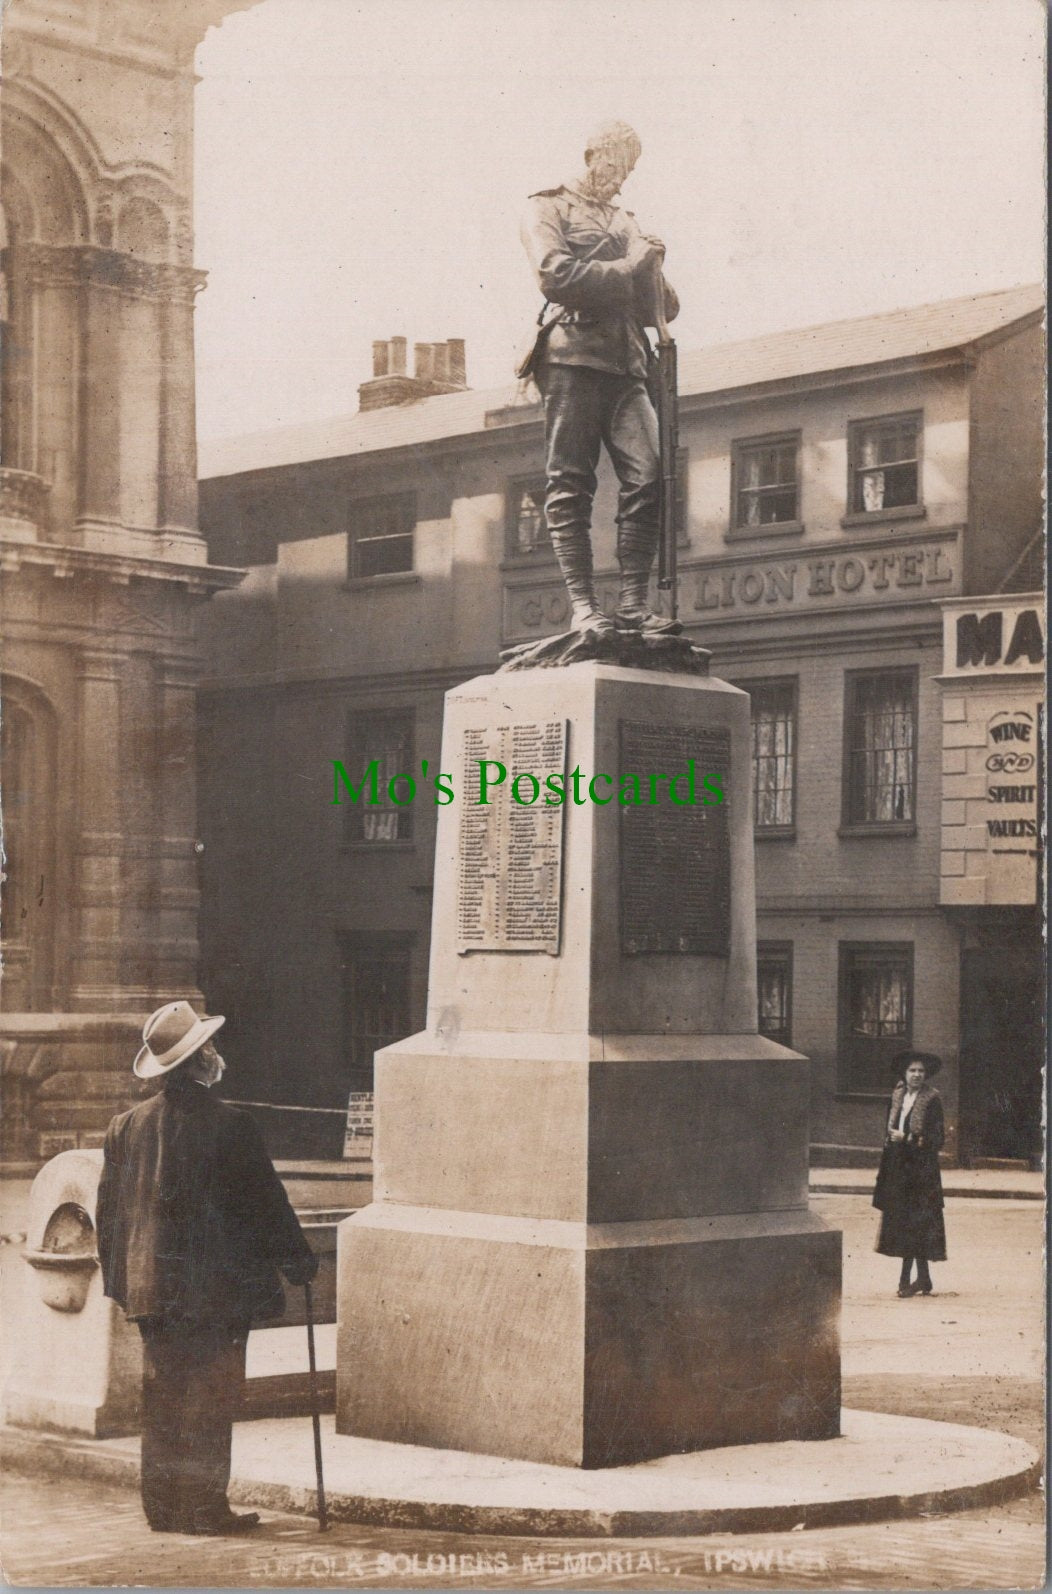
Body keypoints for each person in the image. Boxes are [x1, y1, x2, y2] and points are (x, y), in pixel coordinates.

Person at [96, 1000, 318, 1536]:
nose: (216, 1054)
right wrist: (299, 1263)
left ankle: (163, 1508)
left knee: (164, 1397)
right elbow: (265, 1205)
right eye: (209, 1048)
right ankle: (202, 1509)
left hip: (153, 1291)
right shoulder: (231, 1125)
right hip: (215, 1292)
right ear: (197, 1062)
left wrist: (123, 1283)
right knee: (211, 1399)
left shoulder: (125, 1127)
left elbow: (109, 1215)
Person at [520, 120, 682, 639]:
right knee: (570, 484)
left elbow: (668, 307)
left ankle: (633, 605)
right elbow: (556, 275)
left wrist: (654, 265)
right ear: (594, 156)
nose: (622, 179)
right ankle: (585, 607)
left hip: (628, 364)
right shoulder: (548, 207)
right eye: (619, 166)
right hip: (572, 355)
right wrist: (630, 266)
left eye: (630, 170)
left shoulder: (626, 221)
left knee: (651, 475)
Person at [872, 1050, 947, 1297]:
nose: (916, 1075)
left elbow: (938, 1139)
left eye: (921, 1071)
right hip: (898, 1169)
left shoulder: (932, 1099)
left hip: (922, 1172)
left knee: (918, 1224)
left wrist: (909, 1138)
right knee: (905, 1223)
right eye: (912, 1070)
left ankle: (911, 1280)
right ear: (904, 1074)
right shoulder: (896, 1097)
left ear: (926, 1076)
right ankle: (919, 1279)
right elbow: (887, 1134)